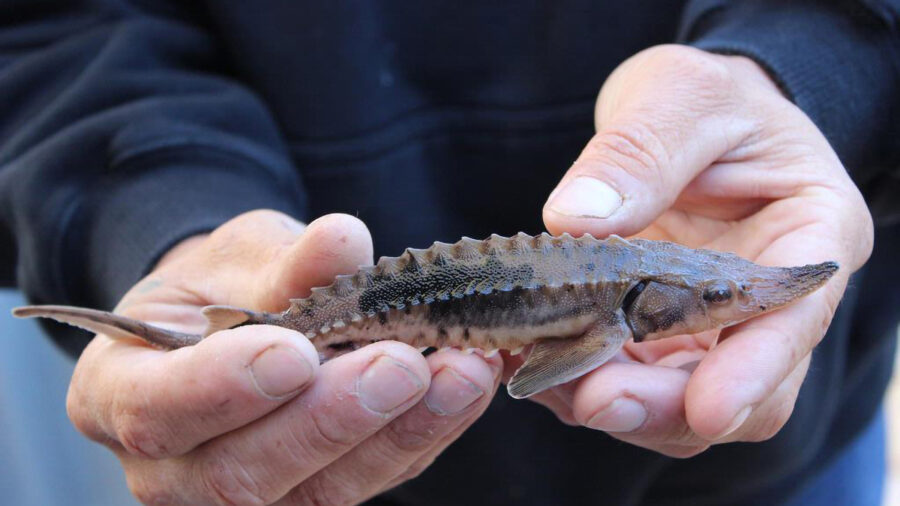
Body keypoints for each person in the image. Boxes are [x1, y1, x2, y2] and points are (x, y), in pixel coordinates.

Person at [1, 1, 898, 505]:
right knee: (283, 364)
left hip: (781, 477)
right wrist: (155, 214)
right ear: (649, 306)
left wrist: (810, 75)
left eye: (725, 299)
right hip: (350, 486)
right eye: (717, 301)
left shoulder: (626, 308)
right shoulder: (612, 318)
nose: (740, 299)